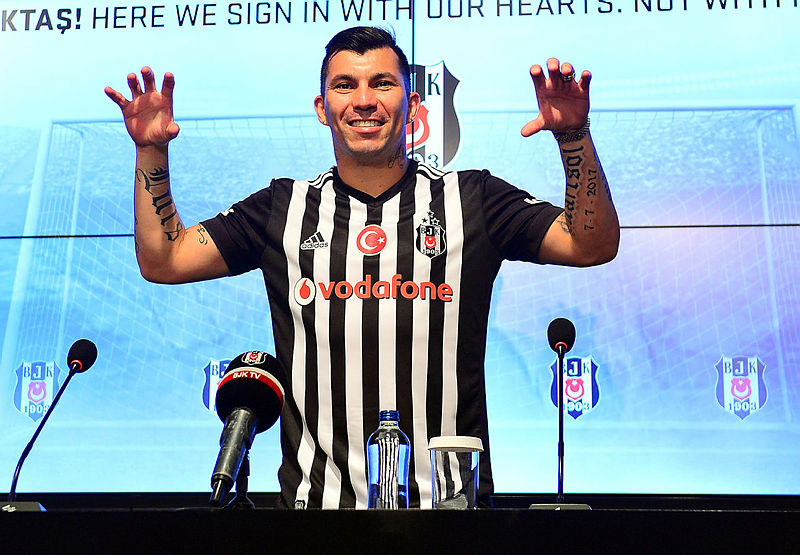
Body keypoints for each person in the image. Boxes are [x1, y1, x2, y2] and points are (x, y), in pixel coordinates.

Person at [105, 26, 619, 509]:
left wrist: (573, 138)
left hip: (452, 517)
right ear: (322, 108)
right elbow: (165, 259)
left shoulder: (473, 200)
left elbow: (589, 244)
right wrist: (151, 150)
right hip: (314, 518)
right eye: (345, 85)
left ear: (412, 105)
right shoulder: (282, 208)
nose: (364, 100)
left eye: (382, 83)